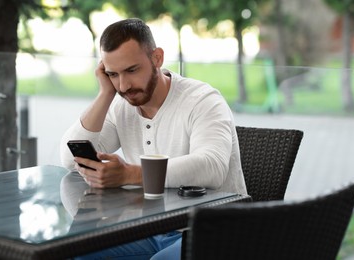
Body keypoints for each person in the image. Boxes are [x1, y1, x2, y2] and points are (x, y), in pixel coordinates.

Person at [60, 18, 247, 260]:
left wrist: (130, 174)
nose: (124, 85)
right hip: (150, 228)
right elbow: (68, 159)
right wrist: (105, 94)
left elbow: (212, 167)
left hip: (214, 231)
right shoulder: (121, 103)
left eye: (131, 70)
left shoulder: (203, 100)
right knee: (72, 252)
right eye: (113, 74)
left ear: (157, 58)